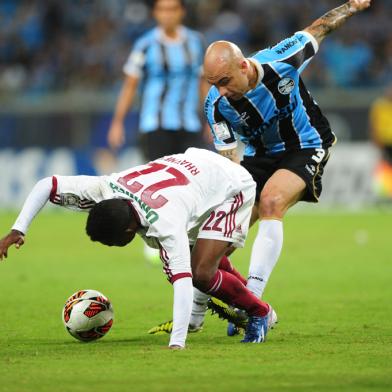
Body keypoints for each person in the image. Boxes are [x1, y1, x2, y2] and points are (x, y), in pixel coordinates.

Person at [0, 148, 274, 348]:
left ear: (129, 231)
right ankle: (250, 301)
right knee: (201, 259)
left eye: (113, 243)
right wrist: (17, 229)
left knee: (201, 272)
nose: (113, 247)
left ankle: (259, 312)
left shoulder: (165, 224)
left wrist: (177, 343)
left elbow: (182, 283)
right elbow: (48, 185)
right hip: (197, 169)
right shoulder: (104, 188)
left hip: (231, 186)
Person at [201, 0, 371, 311]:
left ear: (243, 65)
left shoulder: (282, 60)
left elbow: (319, 28)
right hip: (258, 156)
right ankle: (195, 315)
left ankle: (252, 303)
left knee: (271, 202)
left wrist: (352, 6)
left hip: (305, 144)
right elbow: (229, 161)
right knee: (223, 234)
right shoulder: (216, 105)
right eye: (214, 85)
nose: (221, 91)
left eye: (224, 82)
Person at [107, 0, 208, 262]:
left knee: (191, 184)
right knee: (156, 184)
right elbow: (130, 85)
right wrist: (117, 122)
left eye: (172, 8)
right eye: (162, 9)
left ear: (181, 12)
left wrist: (210, 120)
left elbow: (202, 85)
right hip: (155, 124)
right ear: (155, 13)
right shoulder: (145, 45)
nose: (167, 14)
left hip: (188, 124)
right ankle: (151, 238)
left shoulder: (196, 42)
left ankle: (187, 236)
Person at [369, 83, 392, 200]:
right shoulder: (379, 105)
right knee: (384, 168)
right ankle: (384, 194)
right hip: (384, 143)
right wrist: (376, 140)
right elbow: (374, 124)